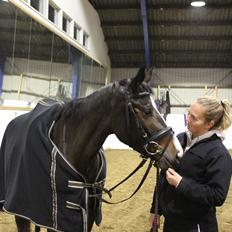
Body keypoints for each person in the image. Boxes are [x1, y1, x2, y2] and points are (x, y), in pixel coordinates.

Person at [149, 95, 232, 232]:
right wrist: (155, 210)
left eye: (194, 118)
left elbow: (217, 195)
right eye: (189, 113)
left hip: (196, 226)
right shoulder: (179, 139)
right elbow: (163, 176)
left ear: (210, 124)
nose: (188, 119)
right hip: (171, 223)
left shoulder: (219, 154)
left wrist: (181, 183)